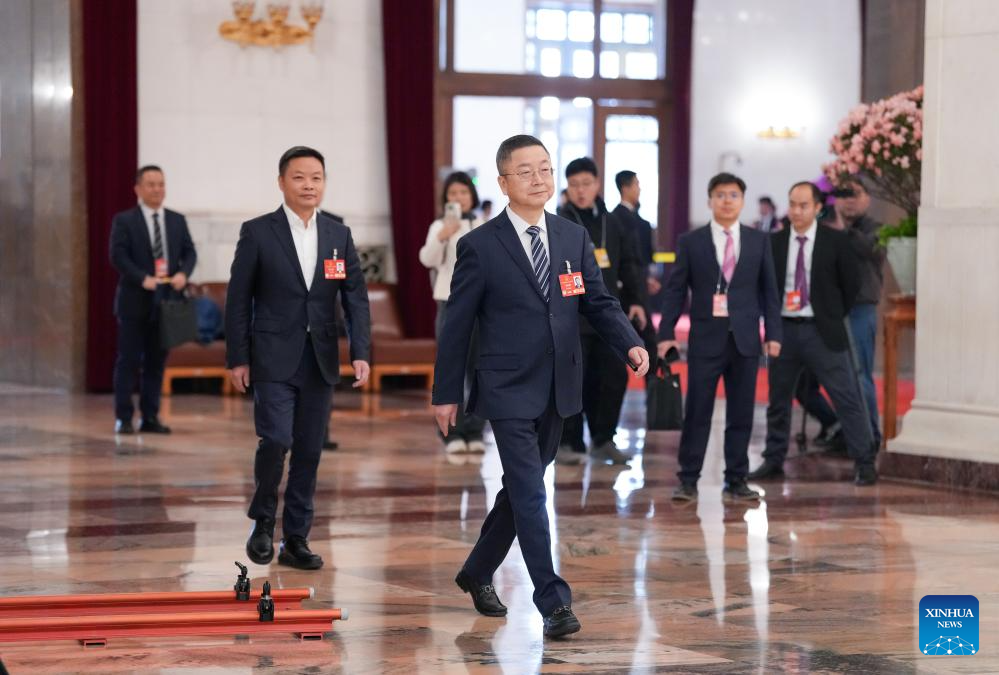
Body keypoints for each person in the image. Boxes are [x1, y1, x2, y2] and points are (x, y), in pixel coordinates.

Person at [432, 134, 649, 638]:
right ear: (503, 182)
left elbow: (598, 302)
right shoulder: (479, 245)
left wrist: (630, 343)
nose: (538, 179)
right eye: (525, 171)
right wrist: (446, 393)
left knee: (520, 489)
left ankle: (477, 571)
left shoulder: (573, 237)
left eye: (545, 169)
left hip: (559, 384)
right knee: (531, 492)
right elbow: (457, 327)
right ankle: (552, 601)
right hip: (506, 385)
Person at [226, 146, 371, 570]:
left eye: (316, 178)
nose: (309, 185)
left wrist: (360, 352)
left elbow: (355, 298)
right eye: (299, 177)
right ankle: (262, 520)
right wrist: (238, 357)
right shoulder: (258, 232)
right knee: (276, 440)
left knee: (309, 450)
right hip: (272, 356)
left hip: (320, 359)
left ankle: (295, 539)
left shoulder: (338, 234)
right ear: (281, 182)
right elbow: (238, 300)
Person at [657, 173, 782, 502]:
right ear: (710, 200)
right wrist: (666, 333)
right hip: (705, 339)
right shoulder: (691, 241)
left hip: (745, 340)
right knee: (698, 411)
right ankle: (688, 479)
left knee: (741, 413)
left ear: (742, 201)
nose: (727, 201)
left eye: (733, 195)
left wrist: (773, 333)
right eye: (721, 195)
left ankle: (737, 478)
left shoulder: (758, 241)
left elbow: (770, 292)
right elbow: (675, 291)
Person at [749, 182, 877, 485]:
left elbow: (851, 285)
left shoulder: (836, 241)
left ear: (818, 208)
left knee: (847, 396)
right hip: (784, 331)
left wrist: (831, 314)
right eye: (793, 204)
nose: (796, 211)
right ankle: (774, 459)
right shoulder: (774, 242)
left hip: (823, 332)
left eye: (803, 205)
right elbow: (765, 287)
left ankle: (864, 461)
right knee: (778, 399)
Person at [555, 158, 646, 465]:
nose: (581, 191)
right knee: (573, 379)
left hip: (607, 315)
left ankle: (604, 438)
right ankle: (568, 442)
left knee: (612, 378)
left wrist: (636, 300)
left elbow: (630, 263)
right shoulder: (559, 221)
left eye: (586, 184)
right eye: (574, 185)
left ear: (597, 184)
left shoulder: (613, 222)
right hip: (571, 317)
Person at [110, 165, 197, 434]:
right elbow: (118, 256)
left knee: (156, 363)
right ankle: (124, 417)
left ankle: (150, 416)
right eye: (151, 184)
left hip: (166, 302)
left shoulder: (176, 220)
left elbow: (190, 252)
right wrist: (142, 278)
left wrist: (183, 273)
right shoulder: (125, 220)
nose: (157, 189)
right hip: (135, 300)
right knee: (128, 361)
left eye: (161, 184)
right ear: (138, 189)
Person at [419, 171, 486, 454]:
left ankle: (475, 430)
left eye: (463, 192)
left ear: (472, 196)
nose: (459, 198)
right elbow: (427, 259)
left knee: (480, 369)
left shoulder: (483, 224)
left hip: (482, 305)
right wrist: (443, 236)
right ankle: (451, 432)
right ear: (446, 198)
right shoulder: (439, 226)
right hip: (450, 302)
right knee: (451, 367)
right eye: (453, 193)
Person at [833, 178, 885, 448]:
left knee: (860, 374)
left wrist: (844, 229)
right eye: (844, 194)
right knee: (838, 376)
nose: (849, 200)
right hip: (833, 310)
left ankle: (870, 436)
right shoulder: (829, 228)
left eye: (856, 194)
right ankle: (846, 432)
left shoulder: (877, 229)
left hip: (860, 309)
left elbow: (869, 250)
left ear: (868, 198)